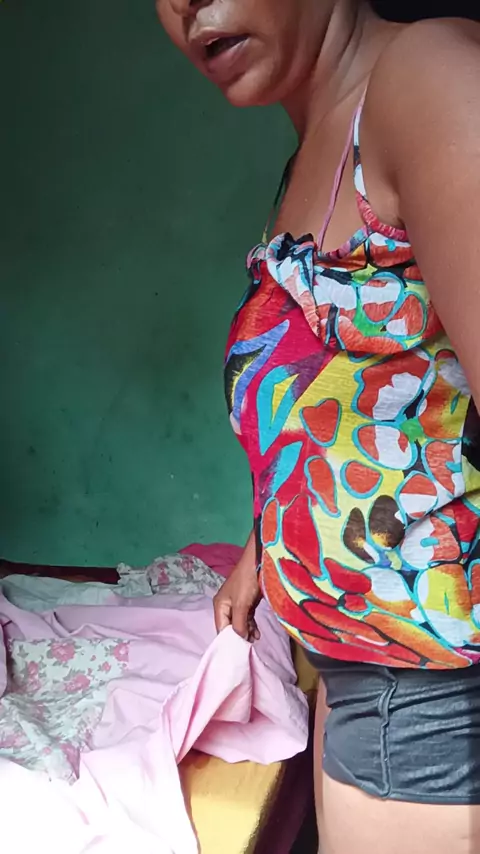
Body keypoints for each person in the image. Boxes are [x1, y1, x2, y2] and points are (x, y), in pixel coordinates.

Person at [156, 1, 480, 851]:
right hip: (359, 674)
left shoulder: (427, 80)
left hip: (433, 699)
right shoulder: (316, 151)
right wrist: (263, 550)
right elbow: (359, 412)